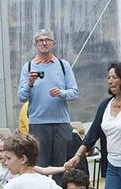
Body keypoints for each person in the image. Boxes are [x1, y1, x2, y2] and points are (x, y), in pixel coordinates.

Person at [18, 28, 78, 173]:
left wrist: (61, 93)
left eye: (47, 40)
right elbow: (21, 97)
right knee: (39, 164)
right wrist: (30, 83)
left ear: (53, 44)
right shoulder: (28, 67)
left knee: (62, 165)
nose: (44, 43)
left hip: (61, 122)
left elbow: (74, 92)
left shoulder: (64, 65)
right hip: (38, 123)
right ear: (35, 45)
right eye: (40, 41)